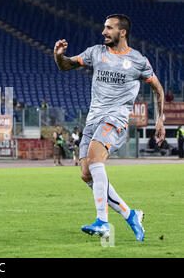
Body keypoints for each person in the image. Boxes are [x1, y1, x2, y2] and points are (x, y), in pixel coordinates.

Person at [54, 13, 165, 241]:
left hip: (116, 119)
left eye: (109, 28)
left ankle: (103, 222)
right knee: (86, 174)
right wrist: (58, 56)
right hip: (93, 120)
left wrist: (160, 119)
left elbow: (158, 89)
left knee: (95, 159)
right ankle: (130, 214)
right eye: (104, 28)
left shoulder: (138, 61)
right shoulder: (96, 53)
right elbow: (67, 66)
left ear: (122, 32)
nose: (104, 31)